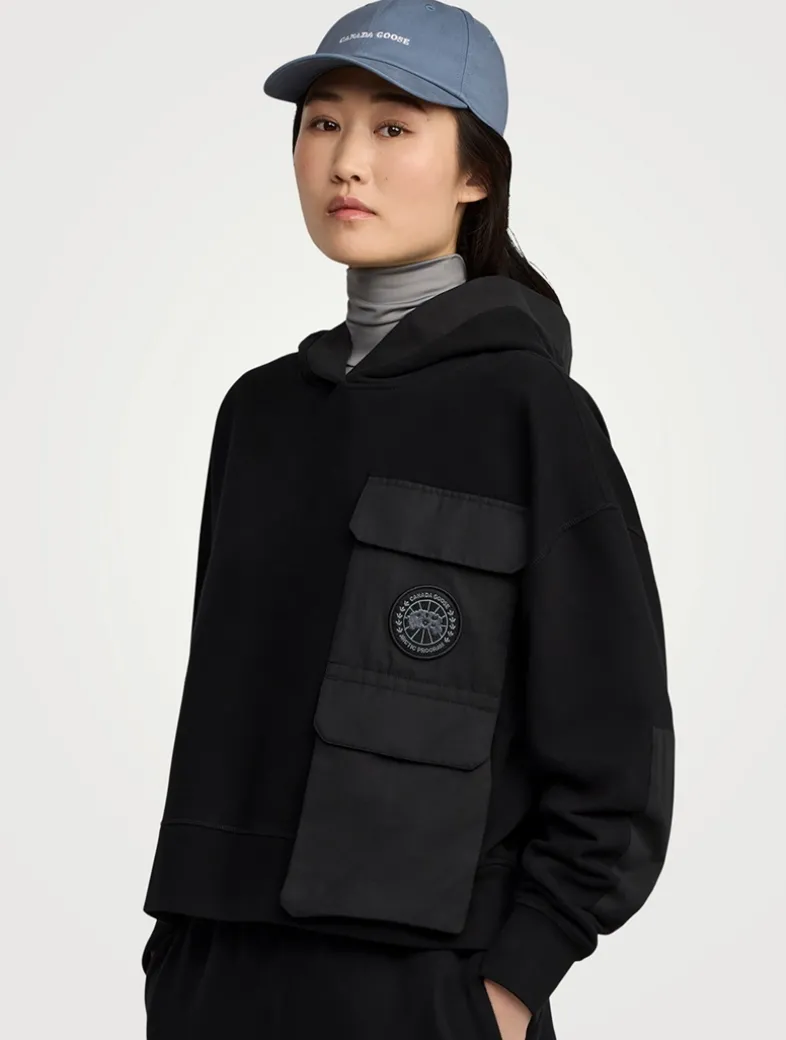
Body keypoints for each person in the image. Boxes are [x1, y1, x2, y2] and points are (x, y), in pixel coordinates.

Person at [139, 2, 676, 1038]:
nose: (347, 161)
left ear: (476, 173)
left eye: (394, 126)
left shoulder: (533, 415)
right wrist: (179, 953)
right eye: (322, 123)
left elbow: (618, 746)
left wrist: (513, 980)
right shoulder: (260, 413)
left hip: (421, 986)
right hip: (216, 974)